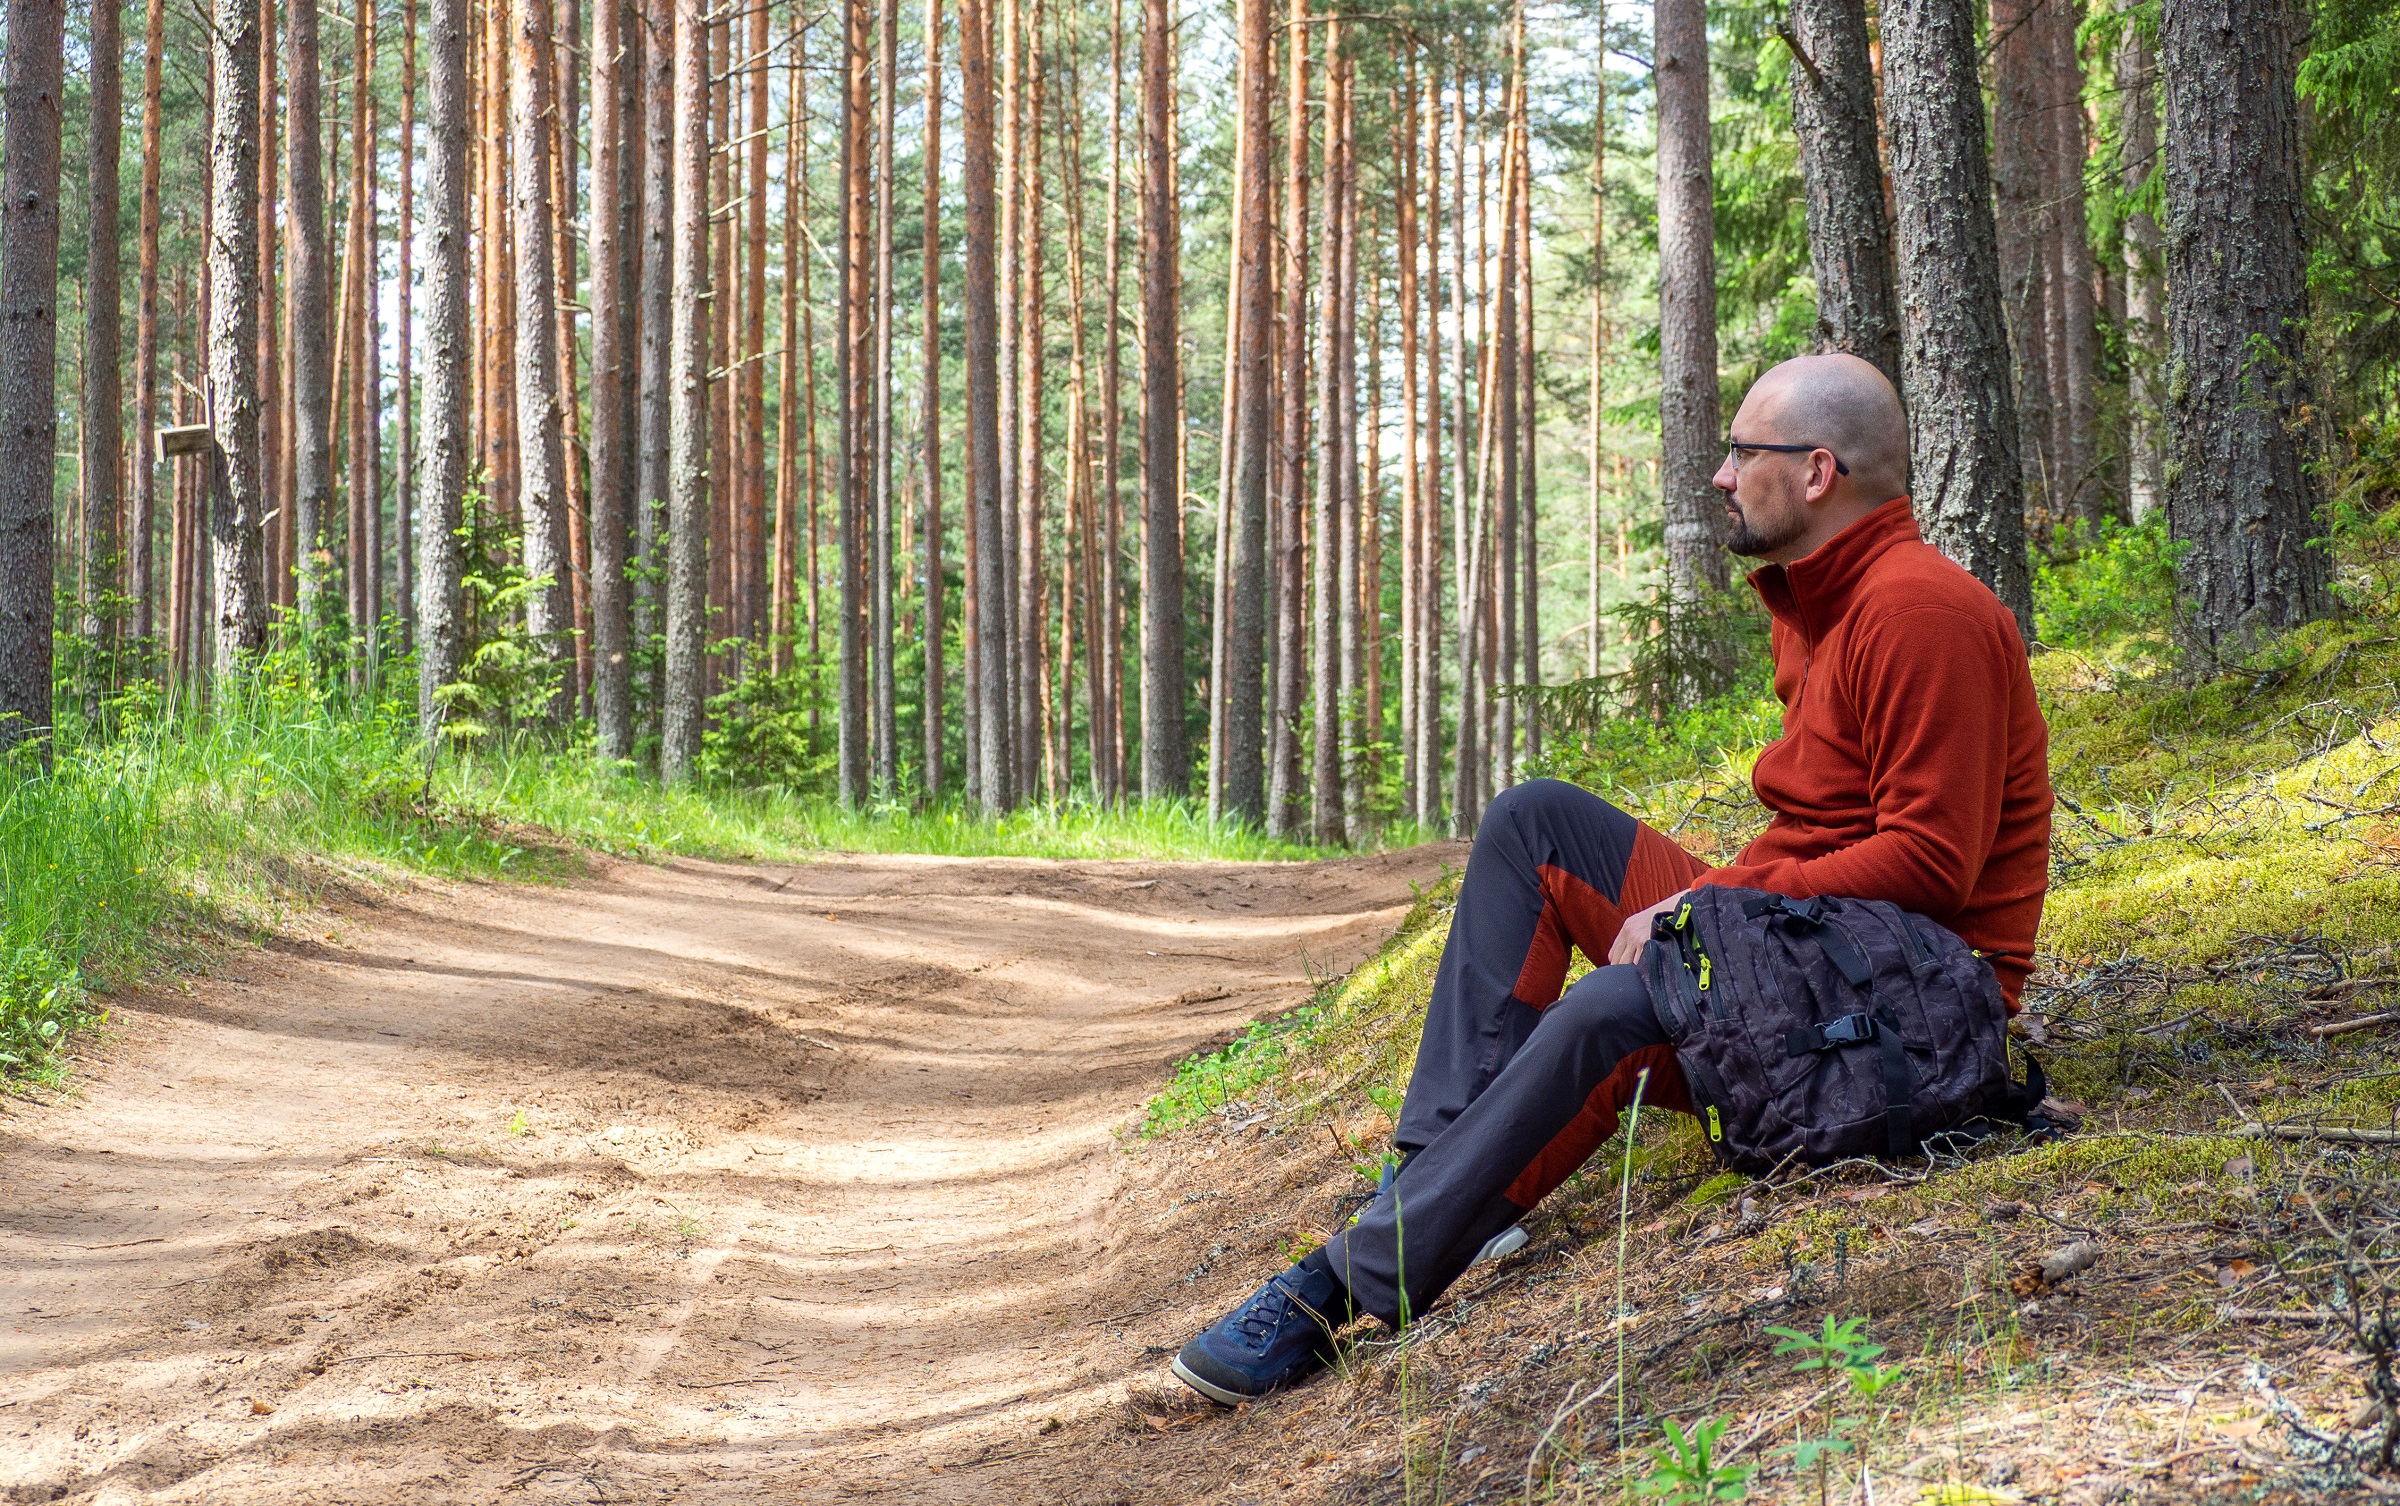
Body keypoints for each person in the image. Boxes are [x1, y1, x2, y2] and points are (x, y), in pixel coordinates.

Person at [1170, 353, 2055, 1406]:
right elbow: (1821, 835)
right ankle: (1444, 1185)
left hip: (1907, 1017)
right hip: (1819, 953)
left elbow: (1931, 866)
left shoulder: (1919, 614)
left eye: (1743, 452)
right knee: (1533, 822)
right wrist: (1720, 910)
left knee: (1621, 1007)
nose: (1723, 475)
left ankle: (1342, 1288)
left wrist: (1706, 912)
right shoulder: (1819, 601)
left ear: (1818, 472)